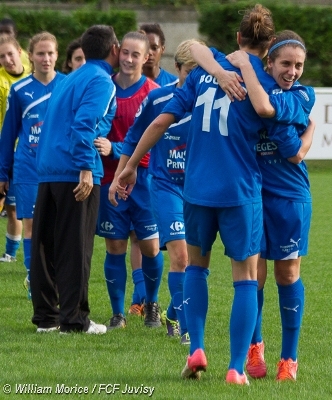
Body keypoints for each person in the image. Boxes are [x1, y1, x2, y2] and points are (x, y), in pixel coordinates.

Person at [115, 4, 311, 385]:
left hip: (196, 191)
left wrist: (129, 165)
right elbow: (269, 112)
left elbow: (161, 118)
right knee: (245, 278)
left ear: (238, 39)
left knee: (195, 269)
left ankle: (197, 348)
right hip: (240, 193)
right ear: (270, 48)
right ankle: (237, 368)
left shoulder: (204, 73)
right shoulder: (267, 84)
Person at [220, 31, 315, 381]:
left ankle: (289, 359)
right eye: (285, 64)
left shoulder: (305, 94)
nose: (292, 71)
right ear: (269, 63)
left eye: (298, 65)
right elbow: (288, 139)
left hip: (291, 198)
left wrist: (299, 139)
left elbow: (289, 148)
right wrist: (304, 135)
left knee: (287, 274)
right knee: (253, 277)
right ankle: (255, 347)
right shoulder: (249, 90)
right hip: (252, 196)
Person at [31, 24, 120, 334]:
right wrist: (85, 166)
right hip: (75, 170)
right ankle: (75, 320)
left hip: (48, 169)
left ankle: (46, 318)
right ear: (114, 50)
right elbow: (84, 124)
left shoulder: (70, 78)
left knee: (46, 246)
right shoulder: (101, 81)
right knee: (76, 247)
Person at [113, 38, 203, 343]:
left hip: (201, 190)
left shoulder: (212, 104)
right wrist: (123, 174)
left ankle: (174, 314)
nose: (198, 78)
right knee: (181, 258)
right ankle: (188, 332)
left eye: (203, 71)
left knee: (195, 261)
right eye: (191, 71)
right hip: (165, 188)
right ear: (177, 68)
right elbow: (133, 137)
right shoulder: (157, 100)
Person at [93, 31, 163, 330]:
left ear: (147, 57)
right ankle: (117, 313)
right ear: (117, 52)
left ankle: (151, 305)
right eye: (125, 52)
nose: (129, 59)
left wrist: (116, 149)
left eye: (136, 54)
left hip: (145, 181)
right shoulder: (103, 88)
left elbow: (156, 141)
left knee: (150, 247)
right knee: (115, 247)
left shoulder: (154, 93)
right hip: (111, 182)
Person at [0, 32, 66, 300]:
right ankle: (34, 278)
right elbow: (8, 134)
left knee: (58, 226)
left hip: (61, 168)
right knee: (31, 226)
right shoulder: (19, 90)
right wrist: (3, 172)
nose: (46, 58)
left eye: (50, 53)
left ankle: (57, 277)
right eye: (41, 53)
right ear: (31, 56)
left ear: (57, 55)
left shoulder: (67, 85)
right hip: (28, 168)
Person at [0, 33, 29, 266]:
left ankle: (12, 253)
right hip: (5, 150)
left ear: (19, 53)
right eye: (2, 57)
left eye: (10, 54)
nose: (8, 59)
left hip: (26, 155)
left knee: (16, 207)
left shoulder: (32, 80)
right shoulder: (1, 82)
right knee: (9, 206)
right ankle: (10, 252)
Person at [139, 23, 178, 87]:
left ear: (162, 50)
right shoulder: (130, 83)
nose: (150, 52)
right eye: (145, 47)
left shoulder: (174, 83)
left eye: (154, 48)